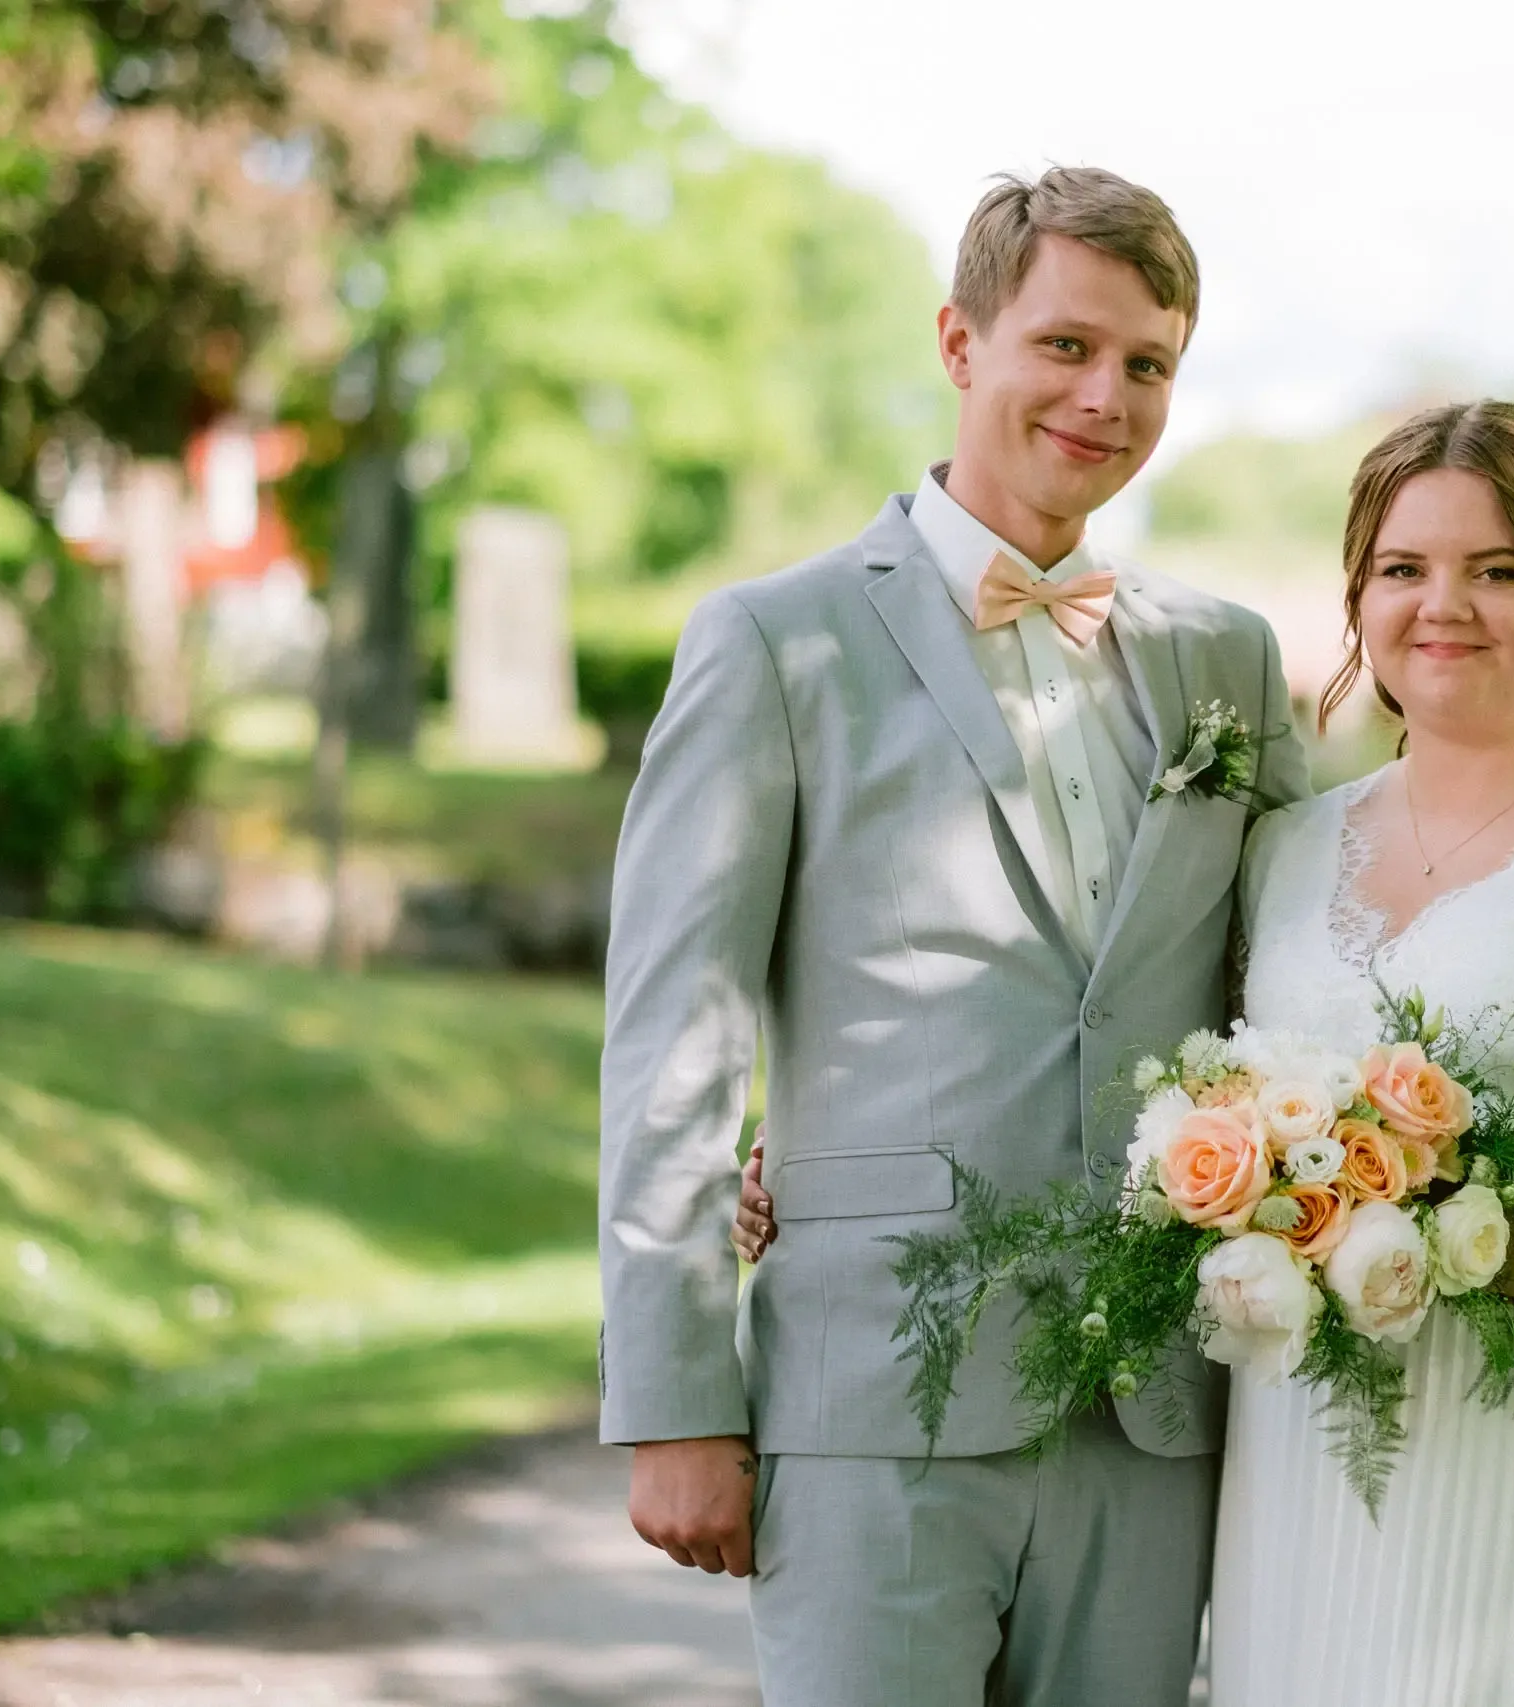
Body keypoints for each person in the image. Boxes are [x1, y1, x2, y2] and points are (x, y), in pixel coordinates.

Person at [738, 397, 1514, 1706]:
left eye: (1500, 570)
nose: (1448, 605)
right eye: (1404, 569)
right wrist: (801, 1152)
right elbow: (1125, 1053)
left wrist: (1448, 1242)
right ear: (1357, 596)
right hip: (1309, 1467)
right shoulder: (1288, 845)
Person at [601, 166, 1308, 1707]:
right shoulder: (773, 641)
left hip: (1153, 1411)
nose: (1104, 396)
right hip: (872, 1398)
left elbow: (1296, 986)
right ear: (961, 340)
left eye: (1148, 364)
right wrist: (674, 1400)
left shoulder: (1226, 660)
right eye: (1065, 345)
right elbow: (677, 1032)